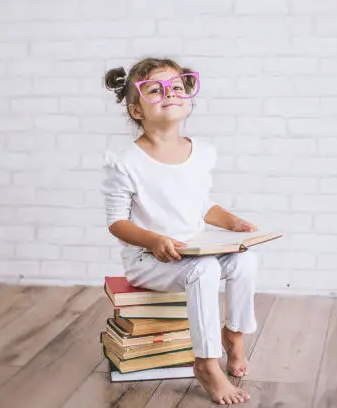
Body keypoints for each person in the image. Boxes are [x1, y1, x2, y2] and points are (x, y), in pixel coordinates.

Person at [101, 57, 258, 405]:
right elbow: (117, 221)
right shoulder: (126, 161)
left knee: (245, 262)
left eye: (176, 87)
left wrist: (232, 223)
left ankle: (234, 335)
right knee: (204, 270)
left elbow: (200, 206)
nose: (169, 93)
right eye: (155, 90)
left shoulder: (201, 152)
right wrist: (155, 240)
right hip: (150, 259)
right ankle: (205, 363)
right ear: (137, 110)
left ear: (188, 99)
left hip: (193, 248)